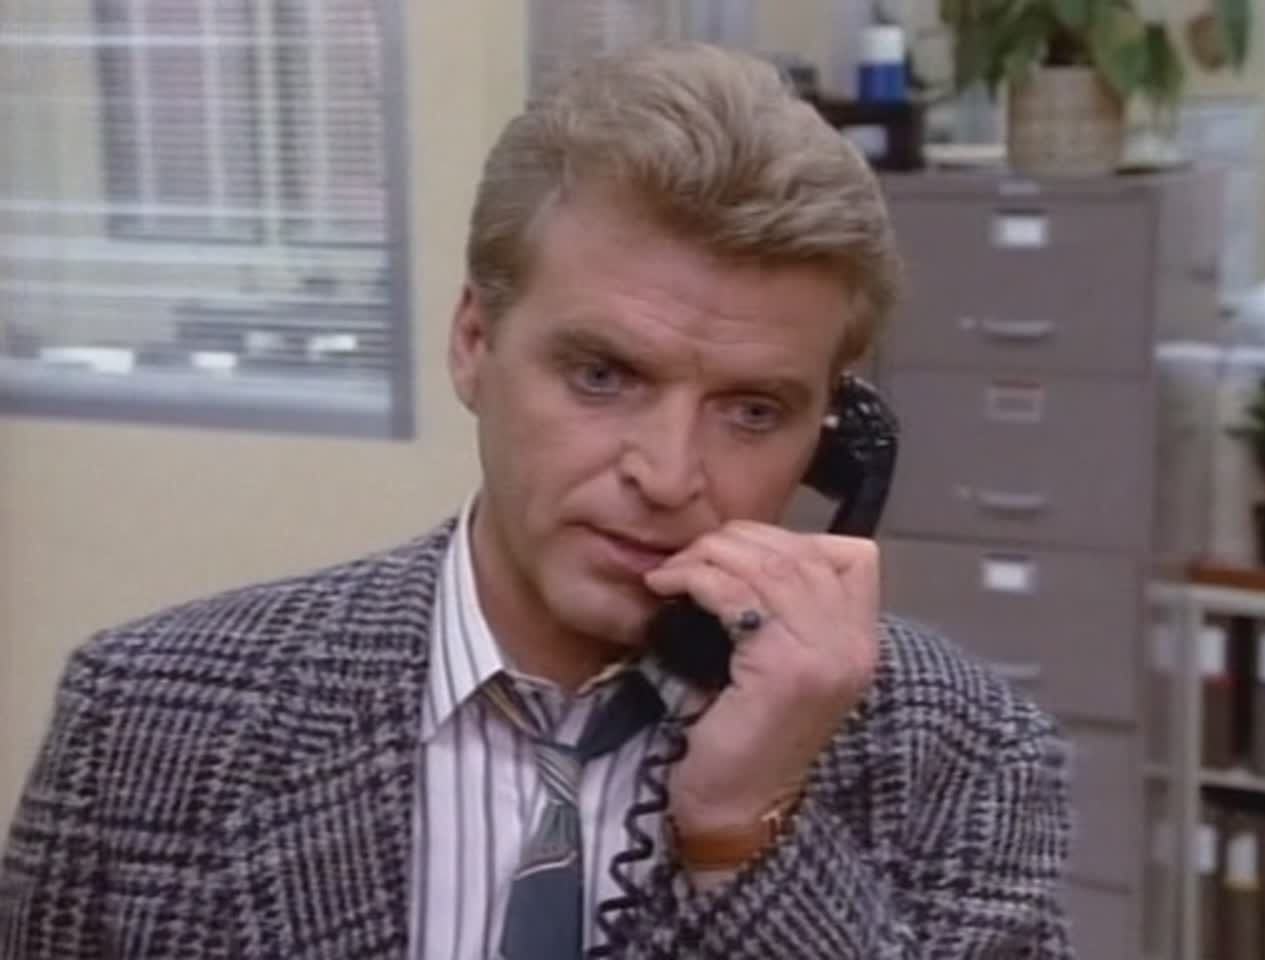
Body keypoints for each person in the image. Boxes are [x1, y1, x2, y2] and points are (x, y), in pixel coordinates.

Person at [0, 42, 1073, 959]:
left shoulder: (964, 753)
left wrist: (745, 830)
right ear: (475, 342)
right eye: (602, 375)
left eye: (752, 411)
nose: (668, 474)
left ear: (831, 441)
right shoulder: (146, 718)